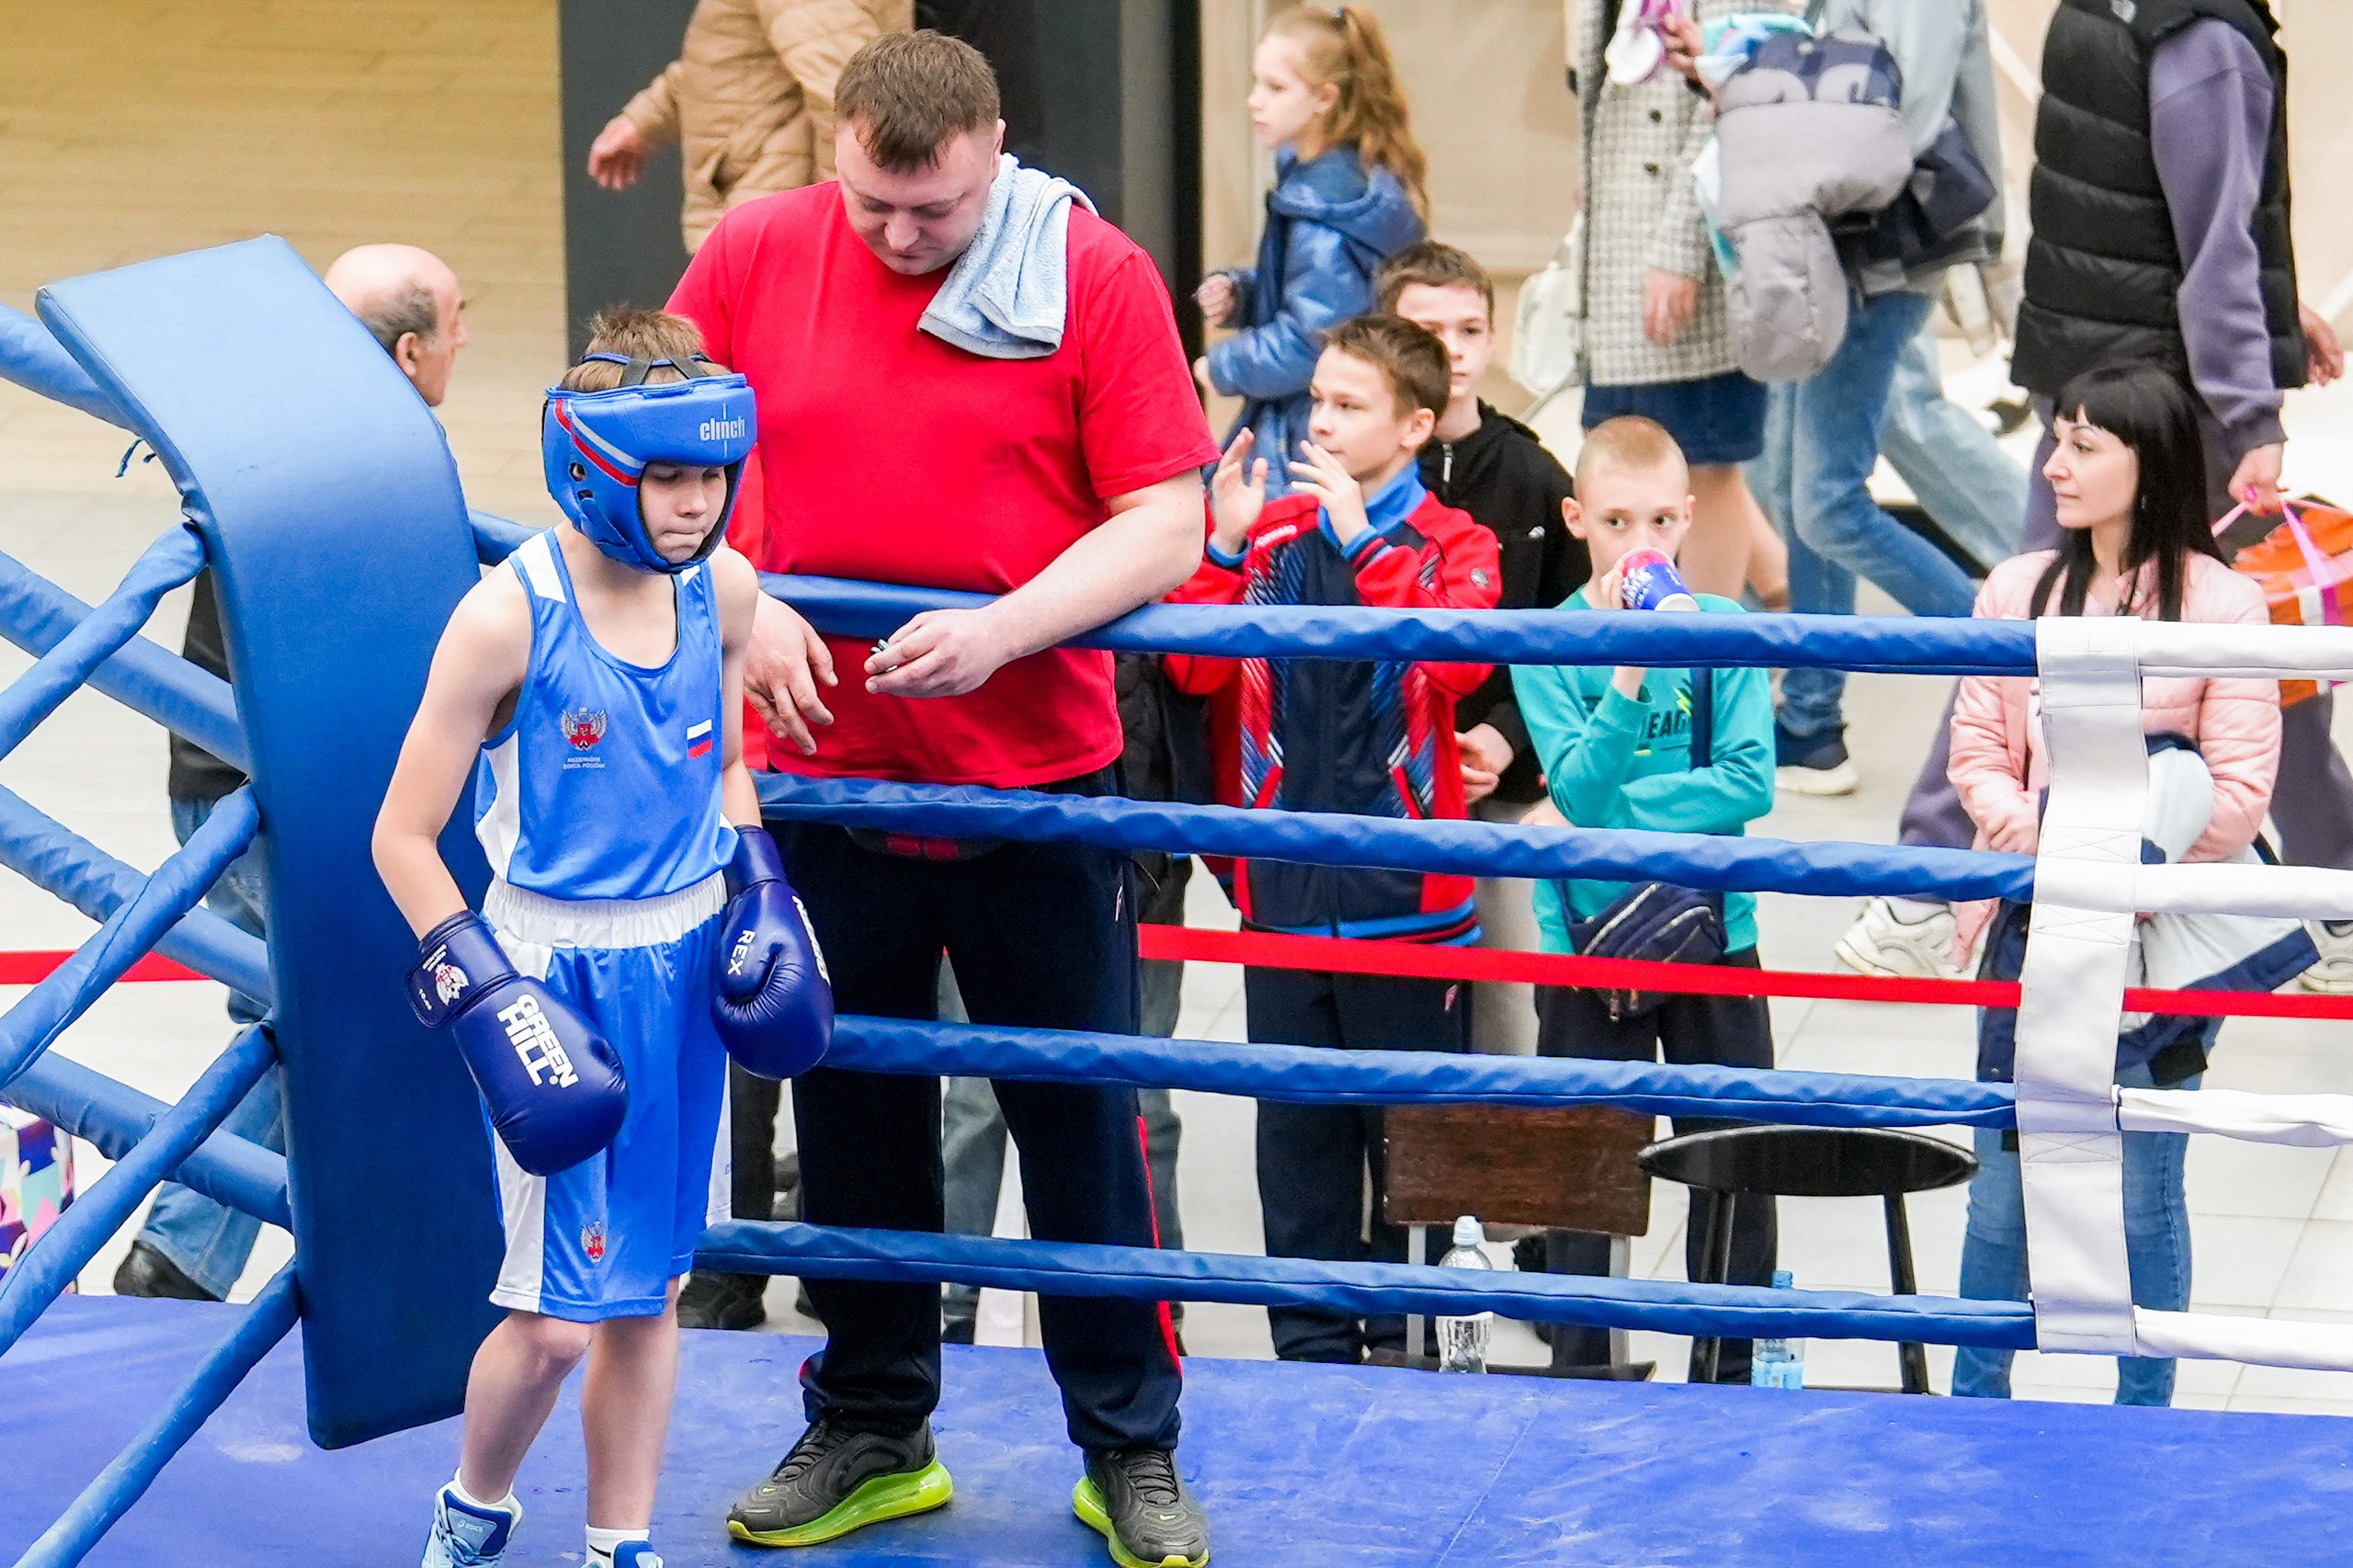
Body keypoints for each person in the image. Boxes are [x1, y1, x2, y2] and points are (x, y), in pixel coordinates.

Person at [667, 31, 1217, 1566]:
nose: (906, 241)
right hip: (827, 772)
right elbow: (650, 466)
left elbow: (1169, 520)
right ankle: (868, 1422)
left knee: (1080, 1122)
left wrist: (1003, 627)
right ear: (835, 148)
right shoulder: (761, 246)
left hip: (1036, 780)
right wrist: (742, 598)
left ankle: (1132, 1444)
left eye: (941, 212)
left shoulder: (1092, 273)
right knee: (850, 1108)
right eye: (878, 209)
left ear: (995, 154)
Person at [372, 309, 782, 1568]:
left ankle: (618, 1542)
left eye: (713, 473)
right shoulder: (507, 616)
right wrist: (488, 990)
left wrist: (763, 885)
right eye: (669, 474)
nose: (693, 502)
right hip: (552, 967)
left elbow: (725, 770)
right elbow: (401, 833)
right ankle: (474, 1511)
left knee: (650, 1290)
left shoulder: (725, 585)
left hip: (687, 961)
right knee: (552, 1319)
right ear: (597, 464)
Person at [1838, 0, 2353, 986]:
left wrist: (2275, 316)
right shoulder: (2204, 37)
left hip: (2090, 369)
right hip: (2162, 405)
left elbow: (2148, 199)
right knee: (2216, 642)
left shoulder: (2104, 11)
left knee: (2114, 631)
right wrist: (2250, 411)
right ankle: (1927, 883)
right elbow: (2213, 247)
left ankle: (1925, 882)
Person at [113, 243, 469, 1304]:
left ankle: (183, 1260)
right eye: (455, 320)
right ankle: (374, 1277)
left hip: (223, 784)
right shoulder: (377, 460)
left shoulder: (270, 433)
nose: (466, 338)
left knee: (284, 1024)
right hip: (273, 803)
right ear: (410, 352)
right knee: (347, 1017)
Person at [1165, 314, 1501, 1364]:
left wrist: (1362, 540)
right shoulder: (1270, 532)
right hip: (1284, 897)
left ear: (1414, 426)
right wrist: (1220, 544)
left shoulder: (1457, 542)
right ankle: (1308, 1350)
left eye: (1347, 405)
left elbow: (1456, 668)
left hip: (1411, 901)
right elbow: (1191, 673)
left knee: (1410, 1137)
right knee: (1297, 1142)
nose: (1320, 420)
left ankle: (1418, 1338)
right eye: (1316, 399)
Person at [1947, 363, 2283, 1406]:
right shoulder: (2012, 589)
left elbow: (2235, 788)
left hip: (2157, 929)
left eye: (2086, 444)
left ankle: (2147, 1419)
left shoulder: (2225, 601)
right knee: (2000, 1193)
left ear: (2152, 463)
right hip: (2032, 917)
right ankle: (1973, 1406)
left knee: (2145, 1193)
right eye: (2056, 437)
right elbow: (1975, 756)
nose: (2056, 463)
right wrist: (2061, 855)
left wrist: (2120, 870)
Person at [1510, 415, 1779, 1381]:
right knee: (1588, 1167)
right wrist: (1628, 671)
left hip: (1717, 928)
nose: (1641, 545)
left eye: (1661, 521)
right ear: (1578, 519)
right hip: (1584, 937)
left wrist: (1613, 803)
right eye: (1617, 521)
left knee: (1735, 1160)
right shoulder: (1547, 642)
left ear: (1688, 517)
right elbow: (1572, 797)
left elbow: (1750, 781)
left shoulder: (1725, 628)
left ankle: (1728, 1372)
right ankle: (1580, 1373)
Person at [1703, 0, 2004, 797]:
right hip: (1827, 247)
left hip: (1884, 255)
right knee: (1800, 492)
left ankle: (2008, 652)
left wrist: (1762, 121)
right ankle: (1809, 725)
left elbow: (1895, 128)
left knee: (1827, 504)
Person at [1377, 241, 1586, 1052]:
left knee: (1506, 1023)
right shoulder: (1350, 473)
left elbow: (1569, 638)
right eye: (1427, 329)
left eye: (1469, 329)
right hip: (1378, 793)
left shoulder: (1536, 477)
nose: (1451, 350)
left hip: (1495, 787)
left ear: (1494, 340)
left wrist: (1505, 731)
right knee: (1385, 1029)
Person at [1566, 0, 1790, 608]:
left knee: (1704, 463)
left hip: (1689, 236)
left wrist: (1681, 246)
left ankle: (1705, 657)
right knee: (1616, 444)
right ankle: (1774, 586)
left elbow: (1732, 93)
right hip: (1619, 235)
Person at [1192, 3, 1424, 496]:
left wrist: (1224, 365)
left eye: (1275, 88)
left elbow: (1311, 339)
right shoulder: (1324, 184)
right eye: (1257, 83)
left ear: (1324, 98)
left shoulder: (1326, 212)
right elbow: (1312, 293)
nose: (1255, 101)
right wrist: (1245, 293)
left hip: (1311, 429)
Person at [587, 0, 911, 254]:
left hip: (777, 219)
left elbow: (853, 103)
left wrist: (847, 230)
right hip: (767, 209)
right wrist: (647, 118)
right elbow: (736, 50)